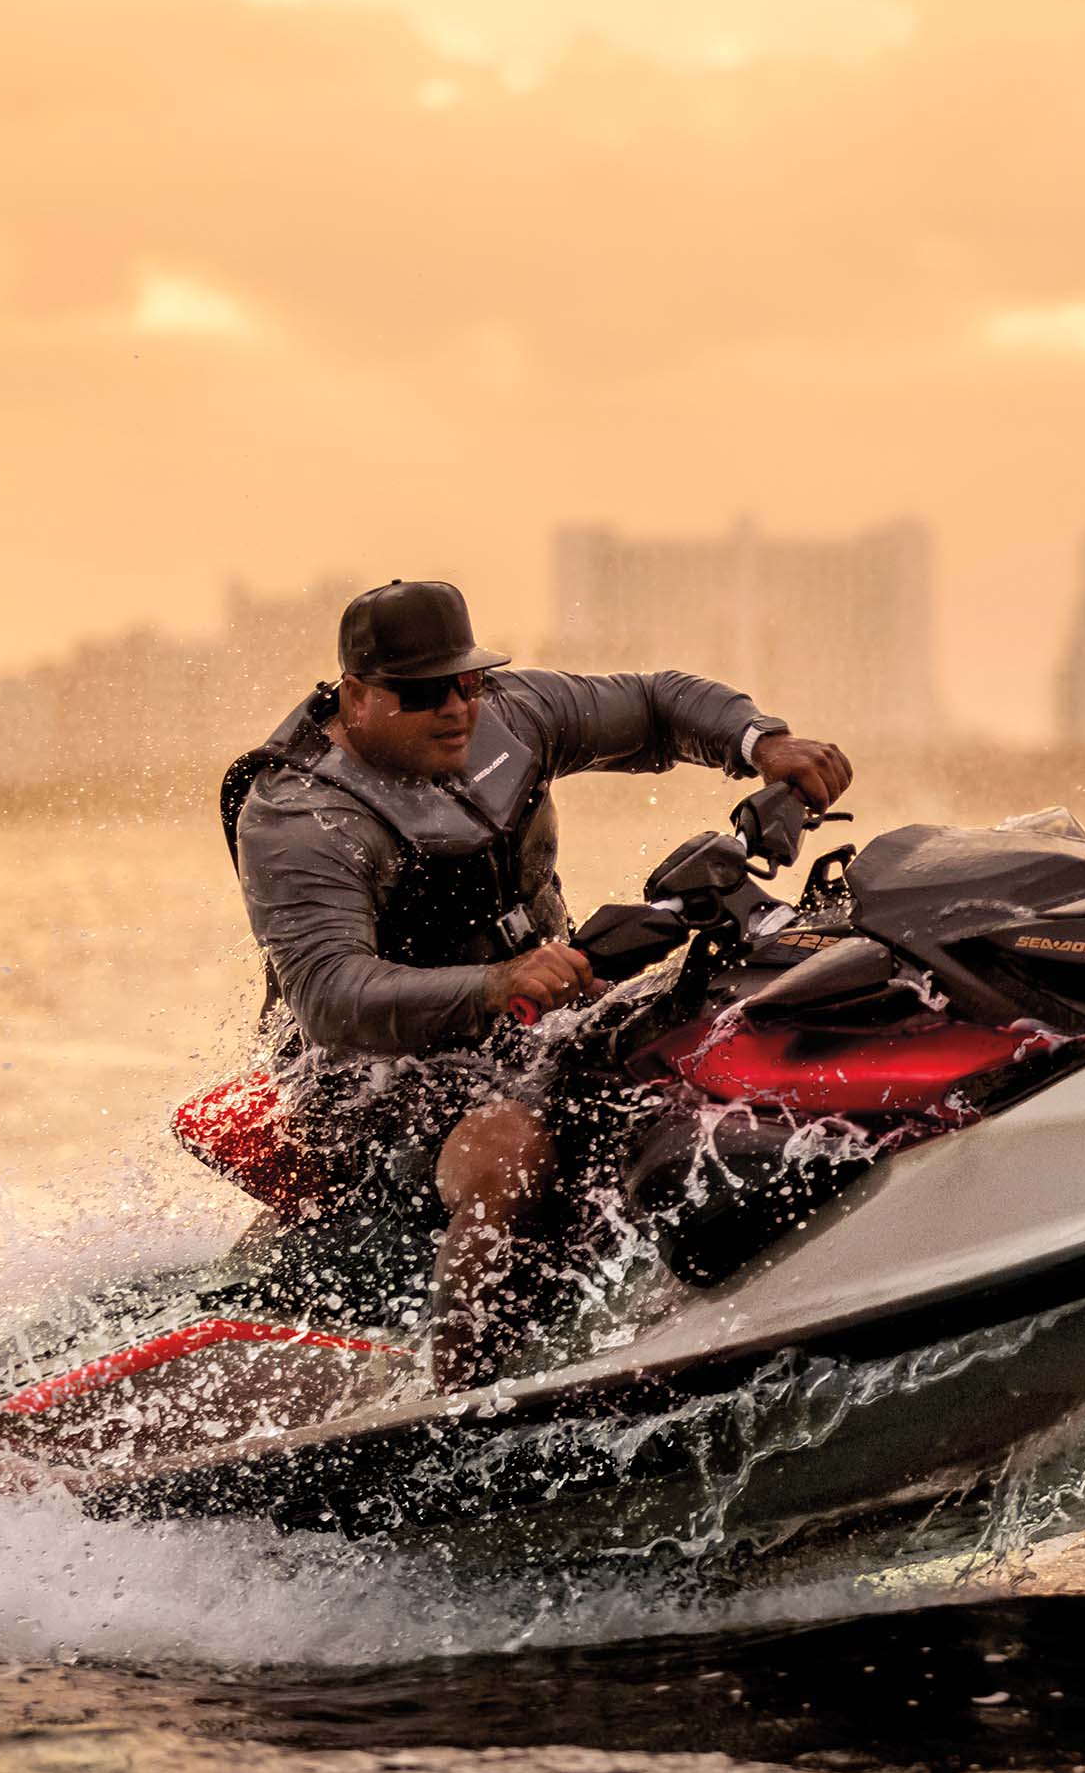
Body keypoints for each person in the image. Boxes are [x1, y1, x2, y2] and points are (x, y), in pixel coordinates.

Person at [223, 578, 853, 1391]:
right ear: (356, 696)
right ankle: (454, 1402)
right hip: (368, 1078)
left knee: (712, 1027)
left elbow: (658, 704)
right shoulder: (300, 817)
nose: (456, 708)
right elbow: (332, 995)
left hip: (530, 1019)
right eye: (423, 692)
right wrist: (492, 983)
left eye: (468, 680)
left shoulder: (512, 717)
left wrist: (760, 744)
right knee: (511, 1150)